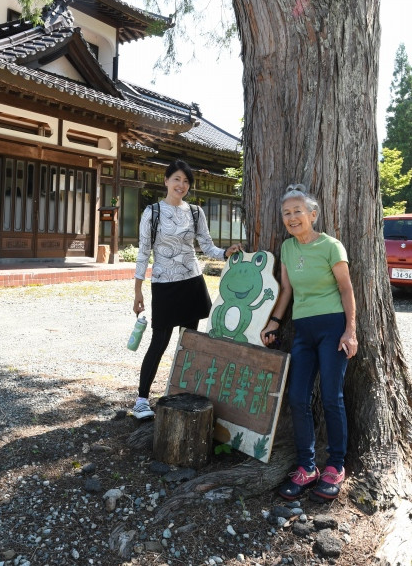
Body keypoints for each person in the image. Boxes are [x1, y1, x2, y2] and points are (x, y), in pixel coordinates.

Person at [260, 184, 357, 502]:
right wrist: (274, 322)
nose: (291, 217)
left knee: (331, 396)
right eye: (286, 213)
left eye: (297, 211)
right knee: (298, 396)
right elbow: (287, 291)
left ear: (313, 214)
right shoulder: (287, 249)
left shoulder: (331, 246)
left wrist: (350, 331)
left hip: (332, 328)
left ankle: (336, 466)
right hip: (302, 330)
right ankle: (307, 467)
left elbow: (346, 290)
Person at [132, 159, 242, 420]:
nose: (181, 185)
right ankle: (141, 400)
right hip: (164, 285)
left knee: (190, 343)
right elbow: (143, 253)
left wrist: (225, 252)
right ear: (166, 181)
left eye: (186, 181)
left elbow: (207, 246)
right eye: (177, 179)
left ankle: (186, 394)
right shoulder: (153, 212)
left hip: (192, 282)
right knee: (159, 342)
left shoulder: (195, 212)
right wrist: (137, 291)